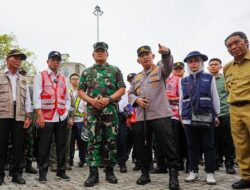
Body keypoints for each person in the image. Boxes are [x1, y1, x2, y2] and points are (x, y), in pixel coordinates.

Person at [129, 44, 180, 190]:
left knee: (167, 145)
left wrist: (167, 53)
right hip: (141, 117)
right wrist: (136, 100)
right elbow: (130, 93)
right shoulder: (137, 77)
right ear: (138, 60)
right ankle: (145, 174)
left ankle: (173, 175)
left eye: (147, 54)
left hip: (160, 115)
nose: (145, 57)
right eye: (142, 55)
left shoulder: (160, 71)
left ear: (153, 56)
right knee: (142, 147)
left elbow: (168, 65)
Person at [78, 42, 126, 187]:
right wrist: (92, 101)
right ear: (93, 55)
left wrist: (109, 99)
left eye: (102, 51)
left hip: (110, 110)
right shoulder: (87, 72)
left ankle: (109, 171)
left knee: (110, 140)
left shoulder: (115, 70)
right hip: (93, 112)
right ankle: (93, 174)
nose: (100, 53)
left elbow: (122, 89)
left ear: (107, 54)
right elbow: (80, 91)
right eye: (97, 51)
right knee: (93, 141)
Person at [179, 51, 220, 185]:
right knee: (192, 145)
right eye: (190, 61)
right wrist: (181, 114)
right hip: (188, 118)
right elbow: (181, 99)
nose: (193, 64)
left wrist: (217, 115)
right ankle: (193, 171)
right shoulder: (183, 80)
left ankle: (210, 172)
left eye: (196, 60)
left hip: (206, 116)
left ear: (201, 63)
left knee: (208, 145)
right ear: (188, 64)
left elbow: (215, 97)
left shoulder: (209, 78)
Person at [33, 51, 71, 182]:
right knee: (44, 146)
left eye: (58, 60)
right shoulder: (40, 75)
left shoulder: (63, 78)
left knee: (62, 145)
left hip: (60, 116)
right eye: (53, 59)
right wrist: (39, 115)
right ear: (48, 61)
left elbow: (67, 98)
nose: (56, 62)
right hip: (46, 117)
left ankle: (61, 171)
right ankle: (42, 173)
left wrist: (65, 113)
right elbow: (36, 96)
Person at [0, 49, 32, 185]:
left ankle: (16, 174)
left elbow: (28, 99)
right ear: (7, 59)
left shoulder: (24, 79)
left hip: (19, 114)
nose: (18, 61)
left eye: (20, 59)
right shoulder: (0, 75)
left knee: (19, 145)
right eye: (15, 58)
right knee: (1, 145)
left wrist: (28, 116)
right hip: (2, 113)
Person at [223, 31, 250, 189]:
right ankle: (247, 176)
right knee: (241, 145)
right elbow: (229, 90)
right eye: (229, 45)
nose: (234, 47)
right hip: (234, 109)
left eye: (237, 42)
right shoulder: (227, 68)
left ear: (246, 41)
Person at [207, 58, 236, 174]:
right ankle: (215, 162)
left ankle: (229, 164)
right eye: (211, 65)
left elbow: (231, 94)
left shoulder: (225, 79)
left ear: (220, 66)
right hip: (210, 115)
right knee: (212, 140)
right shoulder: (206, 79)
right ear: (208, 67)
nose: (213, 66)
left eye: (216, 64)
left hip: (224, 113)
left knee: (227, 140)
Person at [165, 62, 188, 172]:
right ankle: (178, 162)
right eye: (176, 69)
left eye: (180, 69)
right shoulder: (168, 80)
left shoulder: (185, 80)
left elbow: (185, 97)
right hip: (171, 114)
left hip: (184, 114)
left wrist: (172, 99)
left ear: (184, 70)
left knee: (184, 140)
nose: (178, 71)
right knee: (175, 140)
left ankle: (187, 163)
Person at [69, 73, 87, 168]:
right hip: (70, 121)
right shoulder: (68, 91)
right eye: (73, 79)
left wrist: (86, 119)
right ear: (70, 81)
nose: (75, 81)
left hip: (80, 120)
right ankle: (70, 160)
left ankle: (82, 160)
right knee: (70, 142)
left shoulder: (82, 92)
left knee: (82, 141)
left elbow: (85, 106)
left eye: (77, 79)